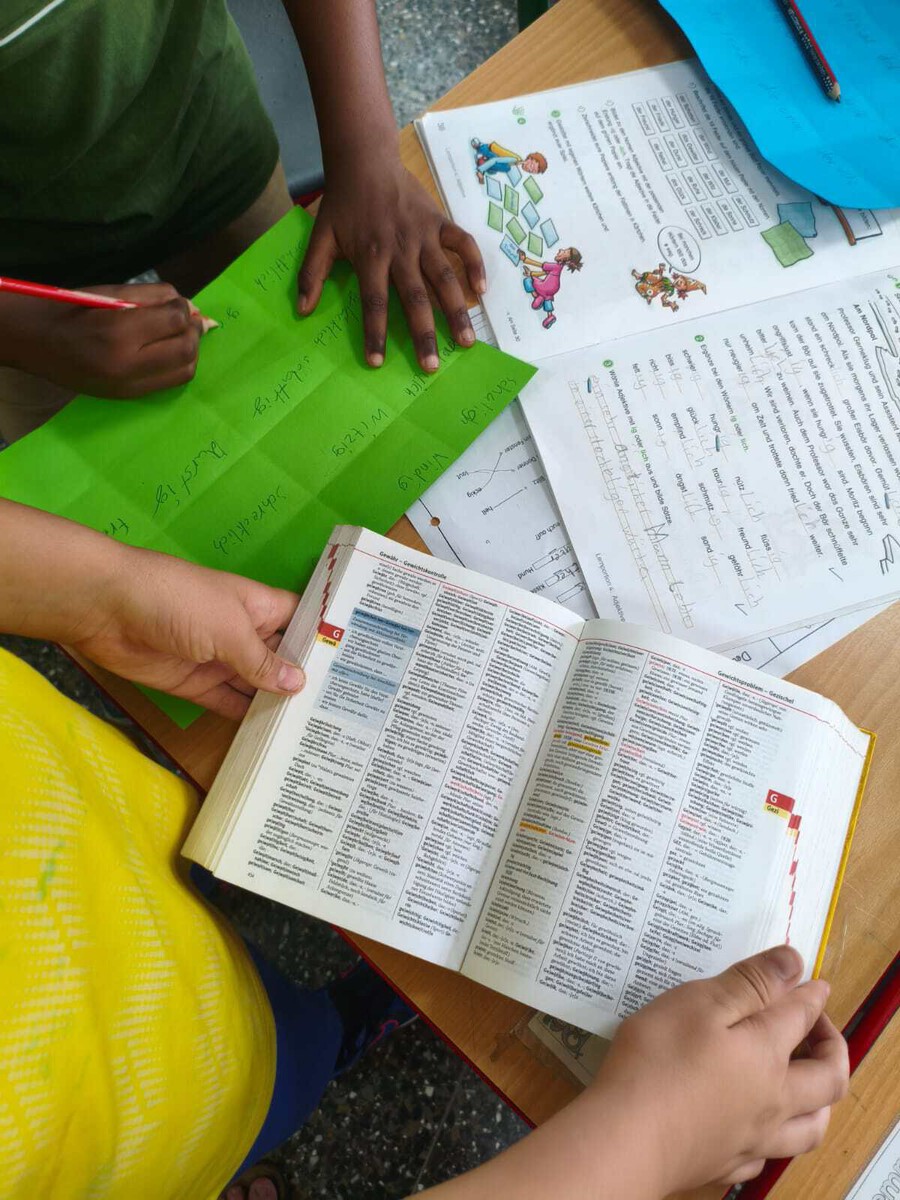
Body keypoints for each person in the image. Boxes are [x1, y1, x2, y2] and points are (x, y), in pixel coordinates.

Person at [0, 496, 850, 1199]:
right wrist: (653, 1142)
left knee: (238, 983)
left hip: (113, 877)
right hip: (152, 1105)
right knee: (270, 1068)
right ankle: (312, 1058)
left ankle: (310, 1015)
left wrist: (96, 591)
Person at [0, 0, 486, 441]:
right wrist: (33, 337)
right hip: (24, 278)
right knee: (75, 465)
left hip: (207, 142)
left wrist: (366, 153)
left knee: (299, 362)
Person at [518, 245, 583, 329]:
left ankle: (536, 296)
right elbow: (545, 273)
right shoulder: (559, 267)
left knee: (528, 280)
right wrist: (531, 273)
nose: (560, 249)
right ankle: (549, 315)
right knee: (546, 298)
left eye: (564, 251)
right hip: (552, 287)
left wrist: (525, 260)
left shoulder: (556, 266)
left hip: (545, 286)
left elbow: (540, 265)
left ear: (565, 259)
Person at [470, 139, 548, 186]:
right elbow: (495, 160)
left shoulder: (518, 162)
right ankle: (481, 154)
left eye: (532, 171)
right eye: (532, 166)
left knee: (499, 170)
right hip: (487, 151)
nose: (529, 169)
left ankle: (483, 159)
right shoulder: (515, 159)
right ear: (530, 158)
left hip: (490, 154)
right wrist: (480, 170)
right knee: (506, 168)